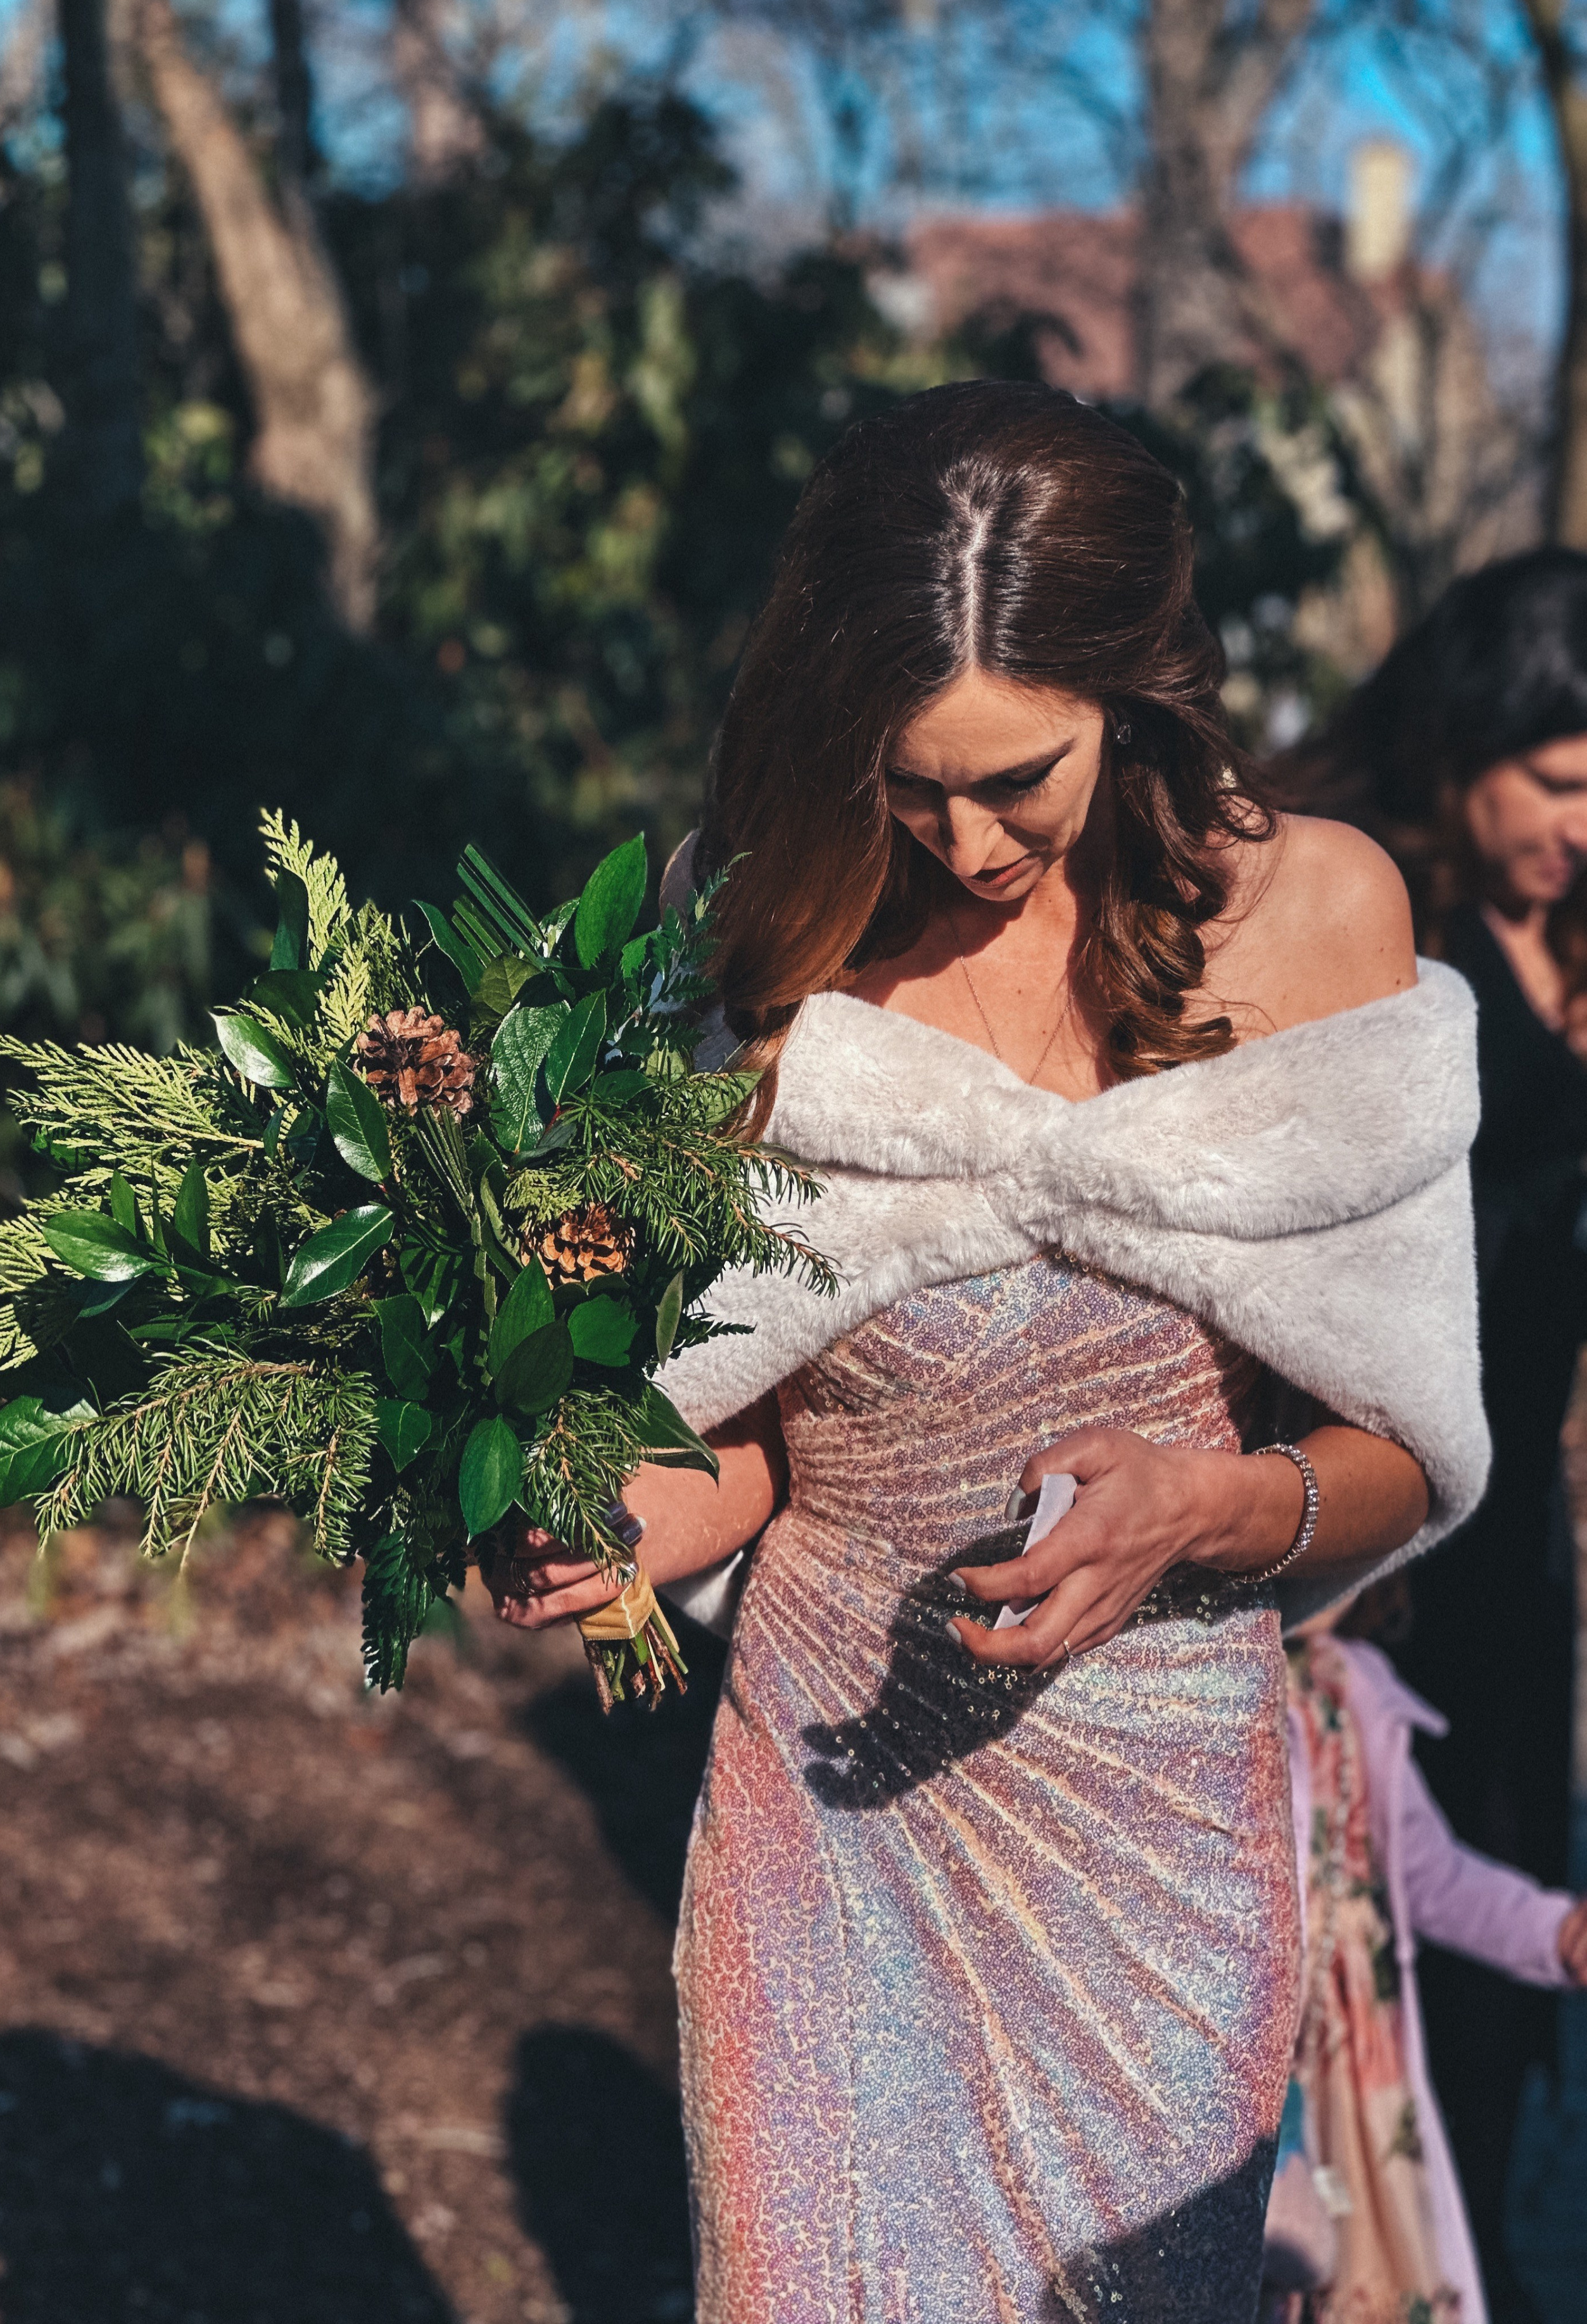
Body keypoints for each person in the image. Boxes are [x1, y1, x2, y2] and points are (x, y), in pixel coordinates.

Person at [490, 383, 1488, 2323]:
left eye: (1015, 775)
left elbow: (1398, 1449)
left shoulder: (1322, 917)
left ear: (1137, 690)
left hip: (1158, 1837)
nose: (960, 838)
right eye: (903, 778)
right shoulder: (762, 920)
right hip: (823, 1818)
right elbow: (761, 1429)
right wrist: (610, 1526)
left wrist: (1204, 1504)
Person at [1275, 551, 1587, 2320]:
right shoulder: (1370, 923)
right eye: (1558, 779)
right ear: (1471, 739)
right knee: (1357, 1942)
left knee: (1488, 1933)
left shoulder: (1574, 929)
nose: (1583, 822)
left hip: (1515, 1523)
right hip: (1371, 1518)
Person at [1271, 1586, 1587, 2324]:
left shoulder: (1351, 1691)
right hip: (1257, 2067)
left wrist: (1556, 1932)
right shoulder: (1210, 1693)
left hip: (1356, 2076)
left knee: (1359, 2272)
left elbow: (1434, 1878)